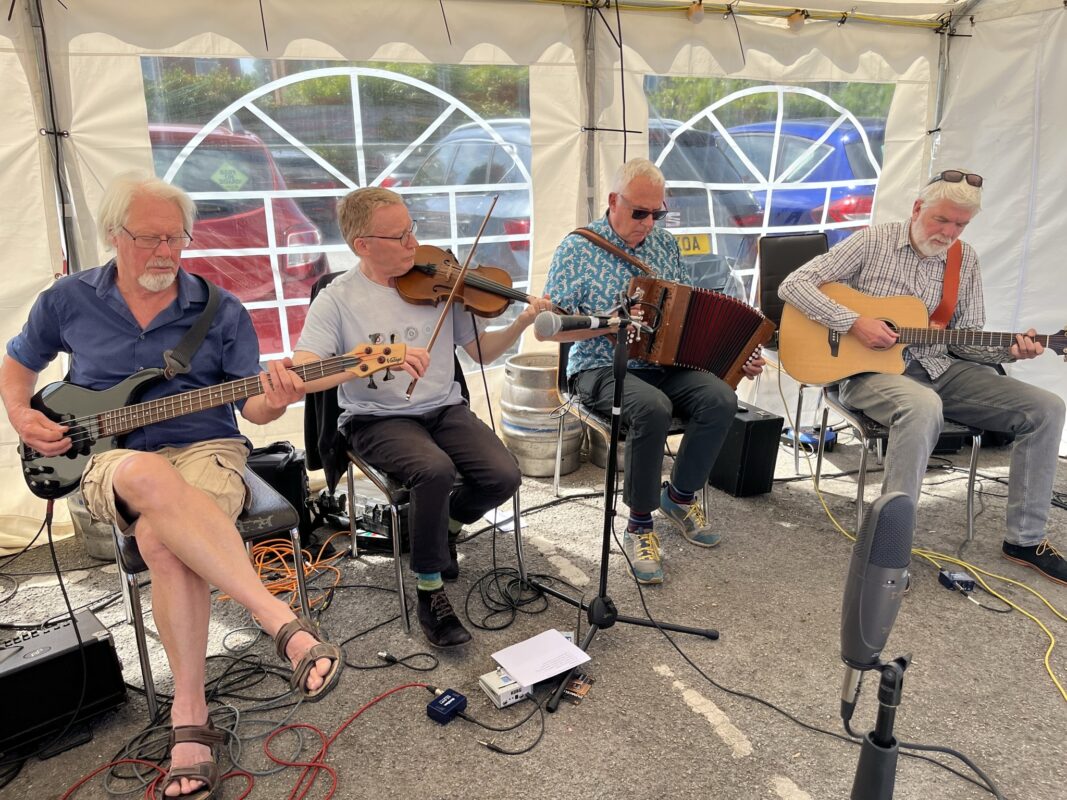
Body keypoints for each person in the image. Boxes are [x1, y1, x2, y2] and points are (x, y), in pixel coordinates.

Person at [0, 174, 344, 800]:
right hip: (111, 458)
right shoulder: (67, 299)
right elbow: (19, 363)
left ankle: (190, 718)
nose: (165, 252)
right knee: (146, 473)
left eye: (175, 238)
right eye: (148, 238)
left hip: (209, 448)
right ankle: (279, 620)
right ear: (113, 235)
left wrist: (278, 397)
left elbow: (255, 414)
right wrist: (22, 416)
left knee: (162, 542)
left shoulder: (220, 309)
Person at [292, 187, 552, 648]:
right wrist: (370, 359)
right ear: (363, 245)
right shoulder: (337, 299)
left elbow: (478, 351)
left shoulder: (440, 283)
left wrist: (520, 323)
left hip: (443, 407)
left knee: (503, 475)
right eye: (399, 237)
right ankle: (429, 592)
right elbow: (306, 374)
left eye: (412, 229)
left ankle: (446, 526)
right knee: (434, 470)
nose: (414, 245)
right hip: (375, 418)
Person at [778, 169, 1066, 585]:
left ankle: (1025, 540)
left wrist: (1012, 351)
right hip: (866, 372)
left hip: (940, 368)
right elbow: (795, 284)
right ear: (917, 209)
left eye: (961, 224)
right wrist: (855, 322)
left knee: (1046, 408)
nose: (950, 232)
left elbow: (965, 340)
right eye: (942, 220)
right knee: (921, 406)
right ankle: (888, 547)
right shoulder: (872, 241)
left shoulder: (963, 260)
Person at [537, 158, 764, 585]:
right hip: (598, 365)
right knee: (652, 409)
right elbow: (554, 333)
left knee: (720, 398)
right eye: (639, 212)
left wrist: (734, 357)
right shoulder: (577, 247)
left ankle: (678, 498)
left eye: (656, 213)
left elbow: (687, 317)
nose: (647, 222)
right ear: (613, 201)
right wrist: (614, 320)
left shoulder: (665, 245)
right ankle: (639, 524)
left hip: (661, 364)